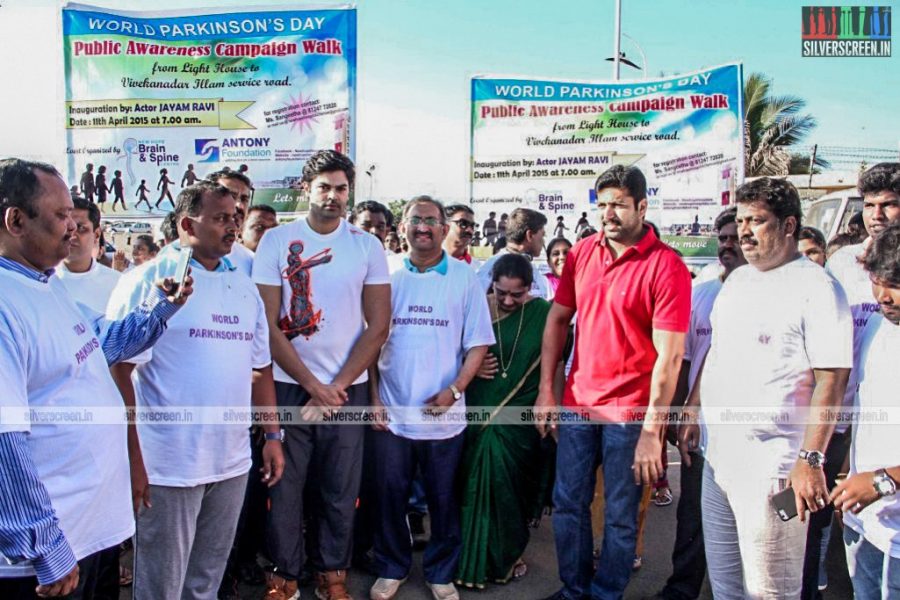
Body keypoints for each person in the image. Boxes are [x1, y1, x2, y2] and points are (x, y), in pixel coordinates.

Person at [0, 158, 189, 599]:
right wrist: (44, 546)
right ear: (15, 220)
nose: (74, 226)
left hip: (88, 536)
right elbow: (4, 437)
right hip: (49, 558)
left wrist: (162, 310)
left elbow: (100, 341)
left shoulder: (44, 284)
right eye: (62, 215)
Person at [107, 181, 284, 600]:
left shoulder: (243, 286)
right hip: (167, 466)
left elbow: (260, 370)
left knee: (205, 582)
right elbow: (117, 372)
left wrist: (274, 436)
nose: (233, 225)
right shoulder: (147, 281)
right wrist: (132, 457)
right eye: (221, 217)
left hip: (230, 462)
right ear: (187, 224)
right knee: (161, 586)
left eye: (236, 217)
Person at [684, 177, 852, 599]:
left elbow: (832, 379)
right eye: (741, 220)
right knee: (727, 587)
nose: (744, 231)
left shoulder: (817, 287)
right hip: (719, 462)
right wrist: (693, 407)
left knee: (770, 591)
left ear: (789, 225)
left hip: (774, 472)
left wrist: (810, 459)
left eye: (756, 221)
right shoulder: (737, 282)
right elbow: (715, 355)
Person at [536, 165, 692, 600]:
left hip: (630, 414)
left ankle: (606, 594)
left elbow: (671, 357)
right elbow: (557, 320)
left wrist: (652, 432)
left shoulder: (667, 267)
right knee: (568, 505)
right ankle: (574, 589)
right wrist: (547, 391)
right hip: (578, 404)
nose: (608, 213)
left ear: (642, 206)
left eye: (619, 204)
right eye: (602, 204)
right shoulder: (582, 253)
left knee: (621, 515)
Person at [253, 150, 391, 600]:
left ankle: (332, 573)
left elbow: (378, 326)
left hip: (343, 392)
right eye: (324, 188)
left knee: (339, 488)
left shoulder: (366, 246)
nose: (333, 197)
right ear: (305, 189)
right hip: (291, 388)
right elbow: (266, 326)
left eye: (341, 189)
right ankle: (284, 575)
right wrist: (312, 386)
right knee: (285, 487)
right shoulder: (277, 241)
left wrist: (334, 388)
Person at [369, 196, 493, 600]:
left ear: (444, 228)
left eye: (431, 221)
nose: (422, 227)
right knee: (390, 497)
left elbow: (477, 345)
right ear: (401, 227)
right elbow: (368, 343)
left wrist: (455, 389)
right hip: (393, 413)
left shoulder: (463, 277)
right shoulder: (384, 274)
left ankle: (441, 572)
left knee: (443, 500)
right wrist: (373, 398)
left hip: (444, 417)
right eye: (415, 220)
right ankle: (392, 567)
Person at [810, 162, 900, 598]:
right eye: (869, 205)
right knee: (813, 517)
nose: (883, 295)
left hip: (885, 487)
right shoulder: (845, 264)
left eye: (888, 204)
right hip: (849, 431)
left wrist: (883, 480)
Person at [648, 206, 747, 600]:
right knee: (693, 514)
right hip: (701, 431)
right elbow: (682, 360)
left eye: (734, 237)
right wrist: (674, 417)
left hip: (751, 431)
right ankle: (683, 586)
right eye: (722, 238)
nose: (727, 245)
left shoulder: (770, 293)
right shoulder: (701, 294)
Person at [456, 253, 563, 589]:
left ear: (530, 289)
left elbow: (556, 362)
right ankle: (470, 556)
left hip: (521, 416)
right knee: (473, 482)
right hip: (478, 408)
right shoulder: (477, 307)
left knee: (510, 490)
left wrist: (554, 404)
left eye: (516, 295)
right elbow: (448, 348)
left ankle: (507, 553)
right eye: (501, 292)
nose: (507, 300)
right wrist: (470, 364)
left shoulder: (543, 314)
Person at [830, 221, 900, 599]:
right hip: (866, 525)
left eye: (895, 284)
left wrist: (881, 481)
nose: (883, 295)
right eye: (878, 280)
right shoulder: (874, 325)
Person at [56, 196, 121, 312]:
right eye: (66, 227)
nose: (72, 235)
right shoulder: (41, 281)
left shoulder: (118, 284)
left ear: (96, 234)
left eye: (80, 228)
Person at [476, 208, 549, 299]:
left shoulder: (530, 266)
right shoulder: (491, 268)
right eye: (542, 235)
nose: (543, 241)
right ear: (529, 235)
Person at [207, 169, 255, 276]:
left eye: (244, 199)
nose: (240, 205)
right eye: (231, 196)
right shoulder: (177, 257)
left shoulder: (251, 261)